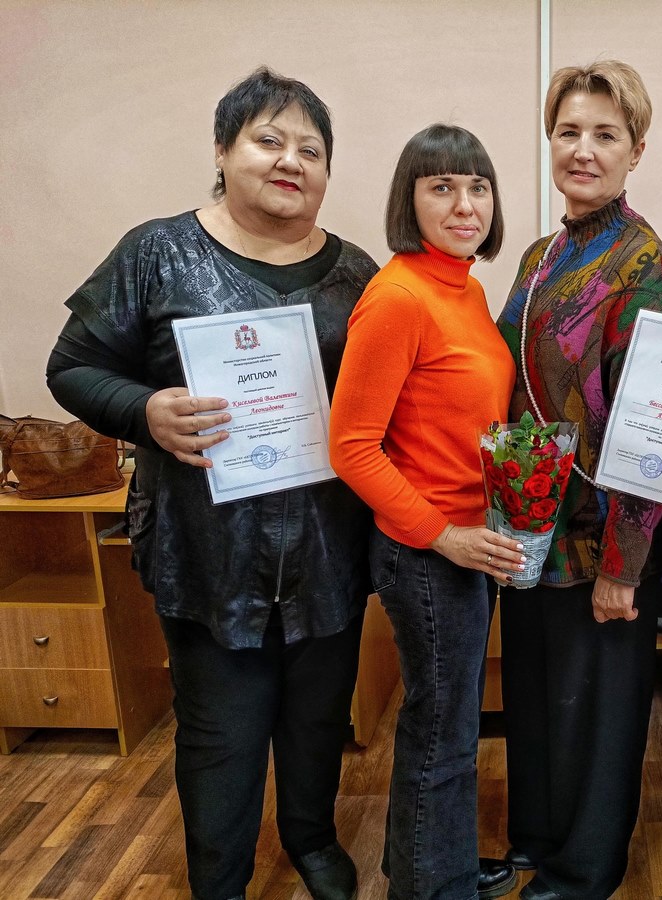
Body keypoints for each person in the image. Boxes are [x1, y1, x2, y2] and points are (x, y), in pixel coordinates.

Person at [45, 68, 377, 900]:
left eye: (311, 149)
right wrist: (144, 409)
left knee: (316, 718)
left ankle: (311, 838)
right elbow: (72, 366)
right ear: (224, 150)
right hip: (206, 552)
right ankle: (219, 879)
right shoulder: (157, 252)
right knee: (219, 734)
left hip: (329, 549)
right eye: (269, 140)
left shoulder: (356, 273)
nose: (290, 160)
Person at [495, 60, 662, 900]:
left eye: (605, 134)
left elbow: (651, 427)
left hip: (602, 532)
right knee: (538, 701)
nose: (583, 149)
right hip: (531, 526)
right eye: (569, 131)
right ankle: (538, 839)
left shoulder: (642, 260)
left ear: (635, 151)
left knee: (596, 714)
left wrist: (622, 566)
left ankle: (584, 870)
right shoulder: (541, 255)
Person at [328, 124, 519, 900]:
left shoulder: (464, 288)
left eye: (478, 186)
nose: (465, 204)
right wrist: (445, 537)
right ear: (409, 202)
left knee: (450, 726)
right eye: (441, 187)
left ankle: (433, 865)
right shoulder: (398, 297)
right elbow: (351, 448)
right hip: (428, 553)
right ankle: (432, 887)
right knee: (443, 734)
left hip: (469, 543)